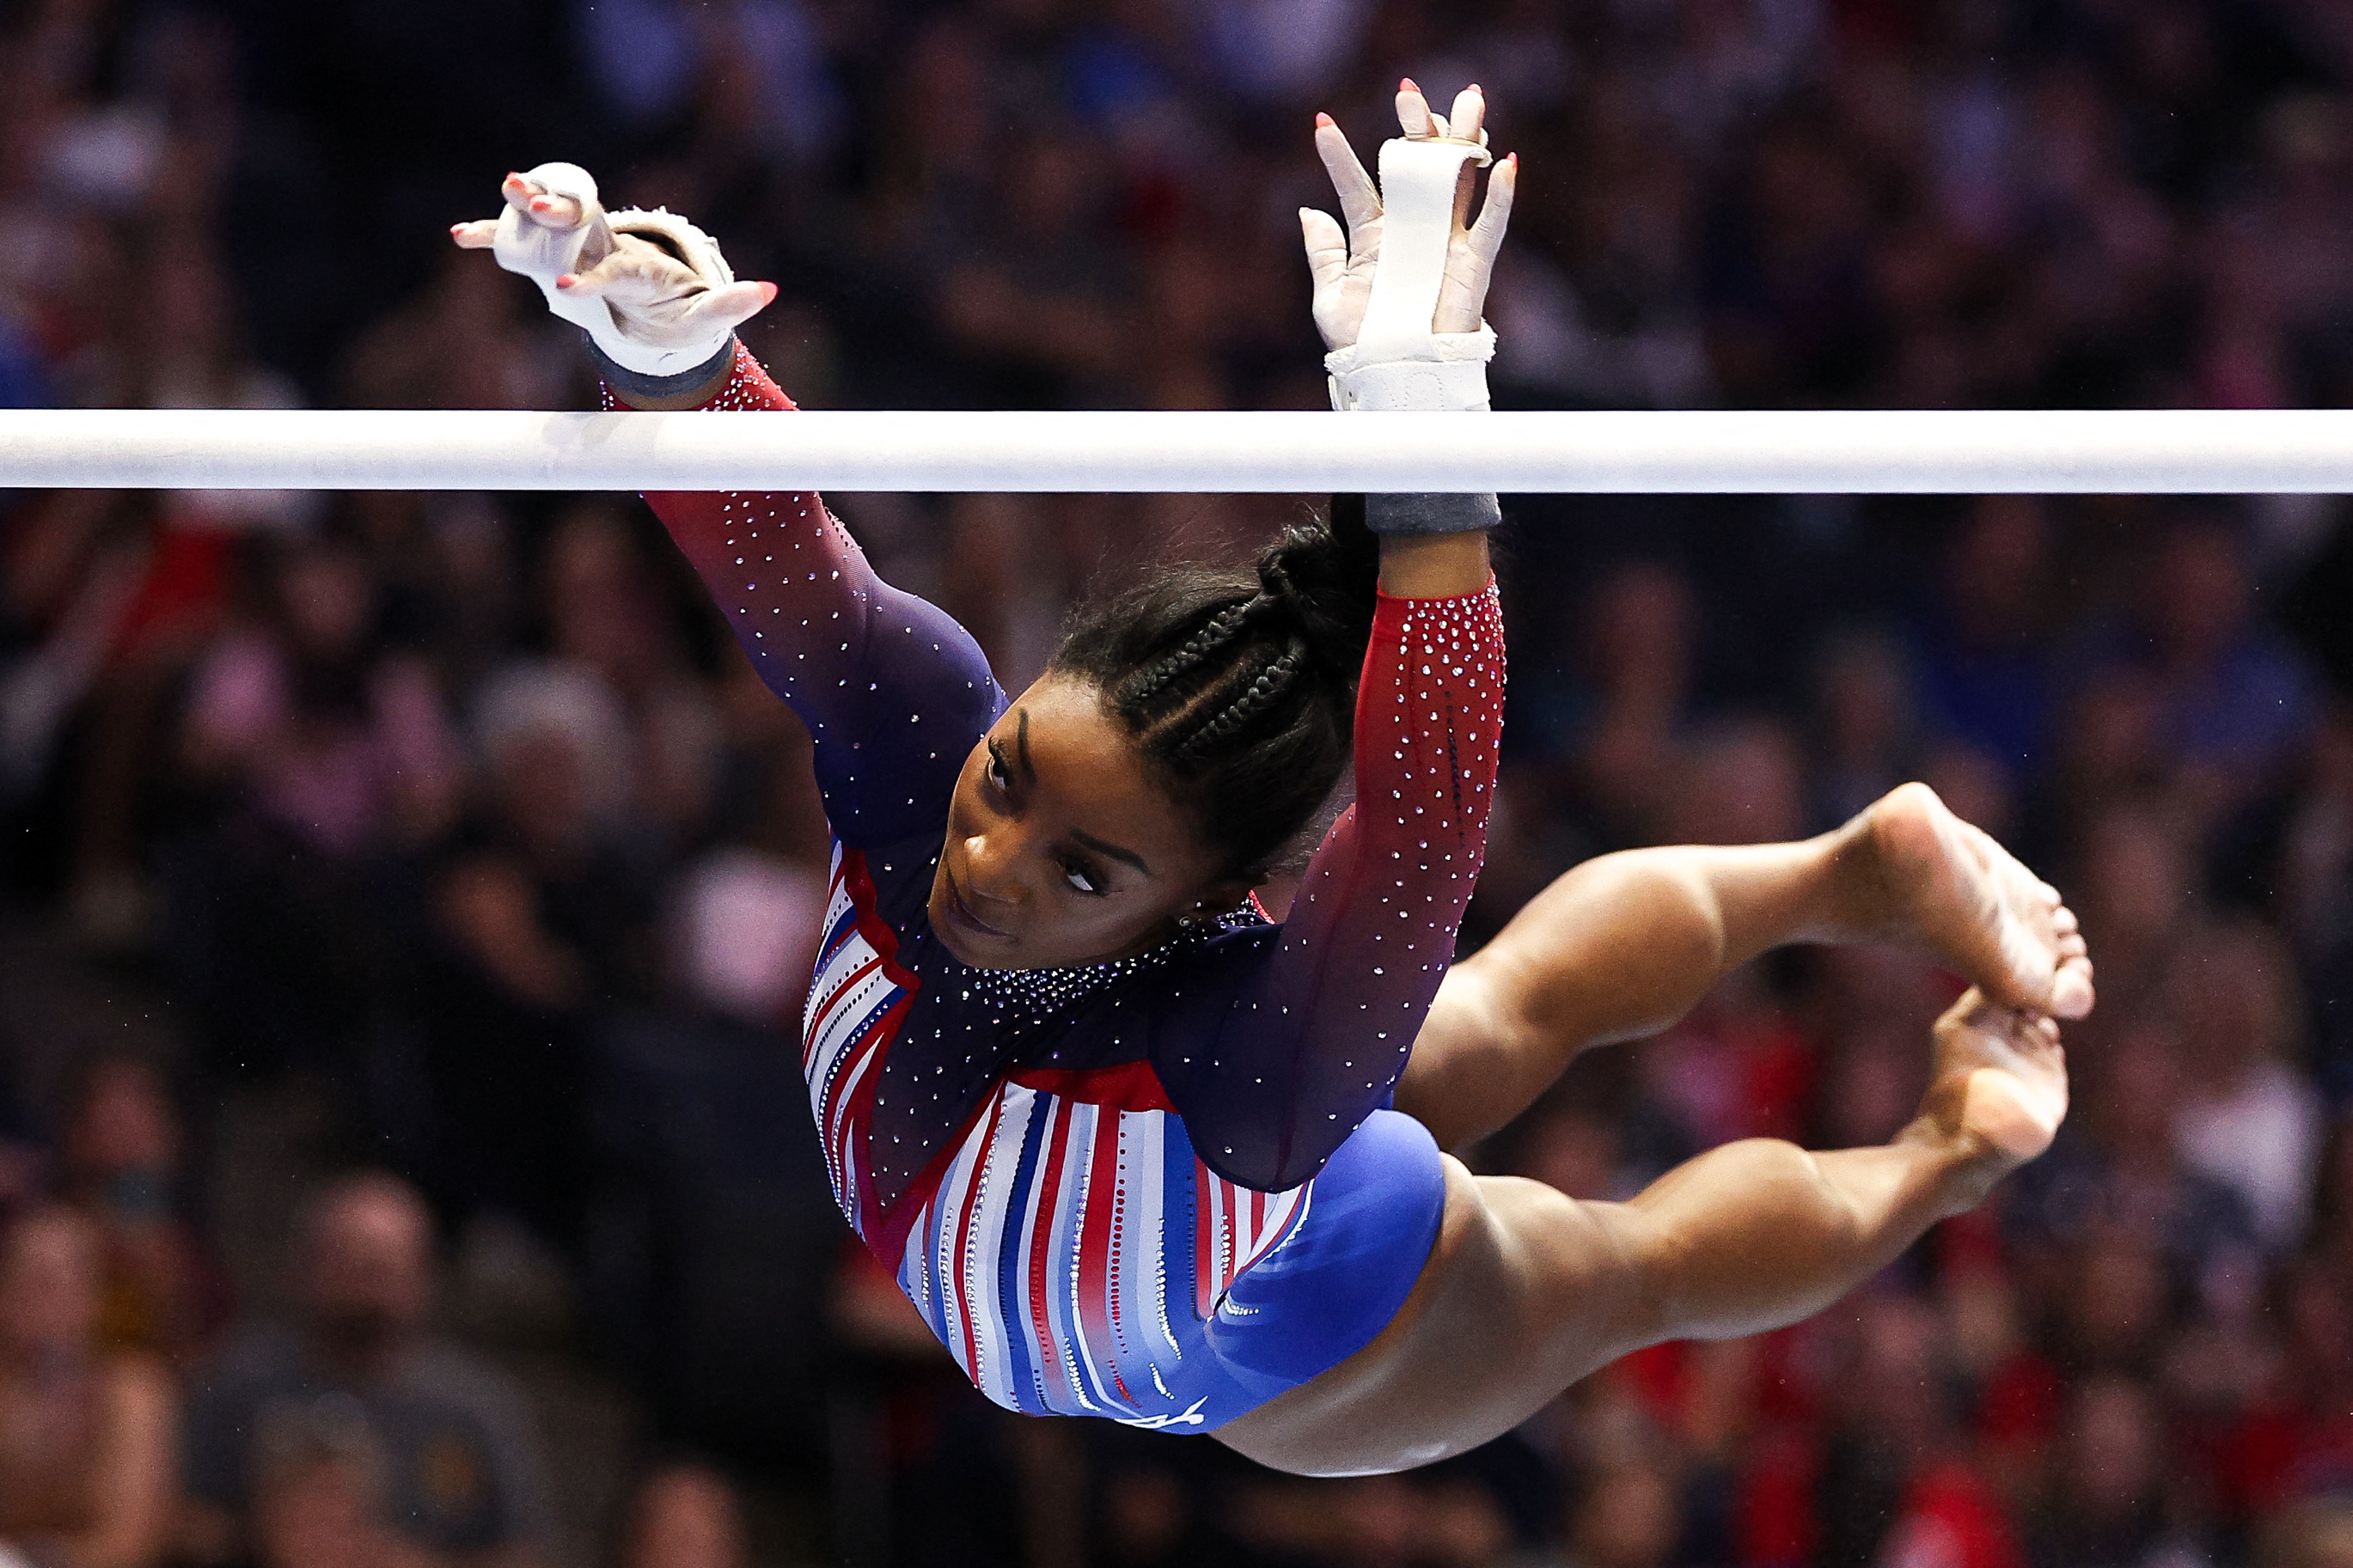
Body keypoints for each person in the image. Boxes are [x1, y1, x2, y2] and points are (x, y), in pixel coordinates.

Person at [455, 81, 2092, 1476]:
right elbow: (772, 540)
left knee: (1626, 1261)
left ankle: (1948, 1140)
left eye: (1082, 870)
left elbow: (1432, 814)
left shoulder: (1249, 1067)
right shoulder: (917, 762)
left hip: (1283, 1312)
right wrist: (656, 347)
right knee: (1496, 1016)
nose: (987, 857)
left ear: (1221, 901)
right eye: (1011, 773)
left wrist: (1426, 436)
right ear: (1011, 701)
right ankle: (1852, 880)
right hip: (1201, 1249)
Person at [180, 1172, 551, 1567]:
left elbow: (523, 1551)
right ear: (301, 1267)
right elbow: (179, 1519)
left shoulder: (475, 1407)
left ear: (426, 1280)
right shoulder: (240, 1378)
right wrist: (271, 1533)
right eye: (348, 1262)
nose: (367, 1288)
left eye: (384, 1268)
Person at [0, 1204, 176, 1568]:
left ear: (96, 1294)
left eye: (64, 1281)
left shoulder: (134, 1390)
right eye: (30, 1281)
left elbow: (131, 1540)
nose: (46, 1301)